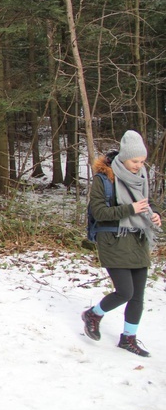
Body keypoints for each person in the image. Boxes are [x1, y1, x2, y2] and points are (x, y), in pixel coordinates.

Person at [81, 130, 161, 357]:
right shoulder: (104, 178)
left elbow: (147, 203)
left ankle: (128, 338)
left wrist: (154, 214)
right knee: (125, 292)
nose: (139, 165)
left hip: (137, 238)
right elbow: (99, 212)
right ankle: (93, 314)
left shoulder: (141, 177)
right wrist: (130, 209)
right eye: (135, 161)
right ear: (124, 157)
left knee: (138, 296)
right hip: (113, 239)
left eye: (142, 161)